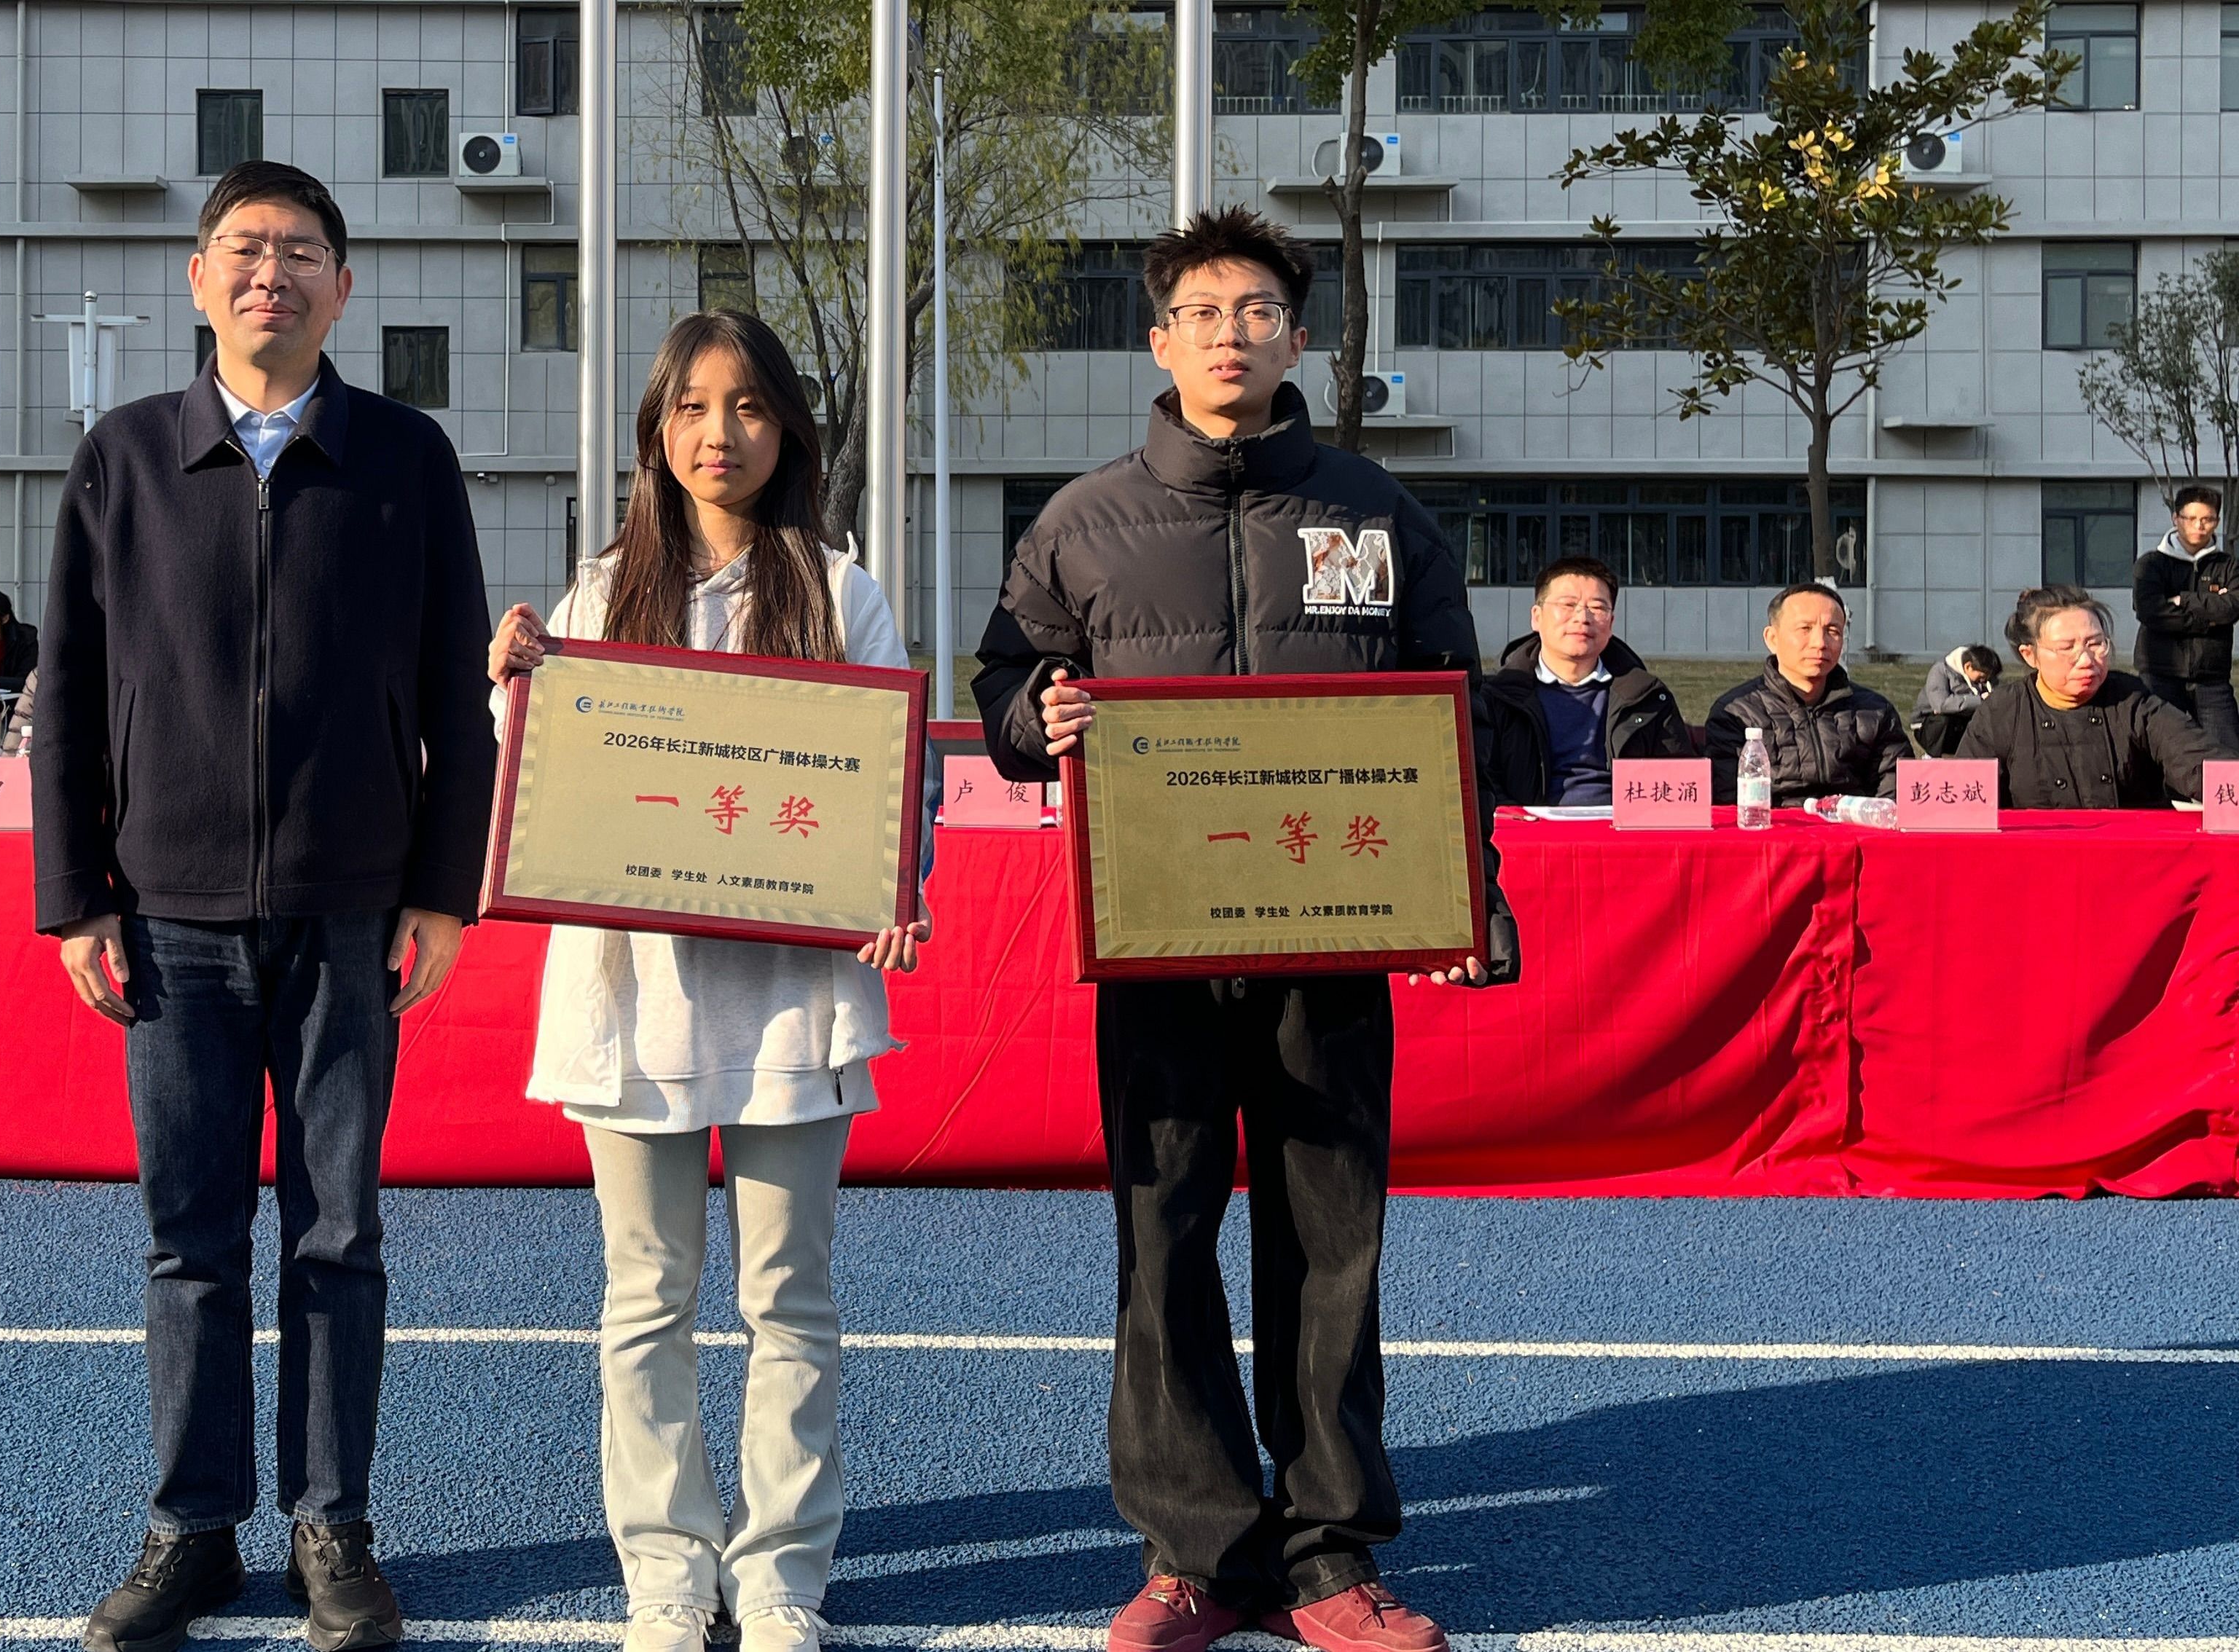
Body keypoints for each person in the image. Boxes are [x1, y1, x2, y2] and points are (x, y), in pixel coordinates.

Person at [972, 207, 1514, 1652]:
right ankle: (1193, 1551)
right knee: (1162, 1237)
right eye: (1203, 311)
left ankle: (1329, 1552)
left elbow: (1451, 716)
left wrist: (1464, 895)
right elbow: (1007, 687)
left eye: (1258, 309)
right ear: (1159, 341)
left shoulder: (1375, 514)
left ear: (1298, 337)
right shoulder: (1082, 521)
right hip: (1156, 943)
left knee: (1330, 1242)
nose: (1231, 332)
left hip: (1330, 947)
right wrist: (1038, 715)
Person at [34, 160, 493, 1652]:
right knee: (189, 1236)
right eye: (243, 248)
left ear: (342, 289)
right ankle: (193, 1524)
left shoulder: (405, 458)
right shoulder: (123, 457)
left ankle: (331, 1523)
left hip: (352, 910)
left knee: (336, 1234)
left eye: (300, 252)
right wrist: (75, 899)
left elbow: (455, 693)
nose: (269, 275)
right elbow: (70, 696)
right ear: (198, 277)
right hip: (167, 918)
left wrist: (442, 890)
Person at [485, 312, 932, 1652]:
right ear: (655, 430)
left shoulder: (841, 592)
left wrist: (893, 886)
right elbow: (542, 781)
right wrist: (511, 685)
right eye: (688, 406)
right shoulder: (597, 592)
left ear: (785, 425)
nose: (717, 433)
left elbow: (894, 782)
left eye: (745, 406)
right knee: (646, 1300)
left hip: (795, 998)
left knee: (789, 1297)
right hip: (634, 994)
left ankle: (783, 1571)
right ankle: (668, 1571)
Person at [1956, 584, 2223, 806]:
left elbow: (2197, 760)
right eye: (2066, 648)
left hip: (2129, 850)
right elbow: (1963, 799)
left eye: (2095, 644)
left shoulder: (2132, 700)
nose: (2086, 660)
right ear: (2030, 655)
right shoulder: (2002, 711)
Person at [1483, 556, 1690, 806]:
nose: (1582, 617)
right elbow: (1483, 784)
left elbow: (1678, 785)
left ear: (1611, 623)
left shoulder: (1646, 697)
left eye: (1598, 608)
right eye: (1568, 605)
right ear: (1537, 617)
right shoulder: (1497, 697)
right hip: (1529, 827)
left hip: (1621, 827)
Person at [1706, 583, 1909, 805]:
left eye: (1833, 631)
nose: (1820, 643)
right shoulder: (1737, 714)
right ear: (1772, 638)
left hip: (1854, 824)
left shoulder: (1875, 712)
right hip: (1772, 825)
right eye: (1805, 629)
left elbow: (1896, 794)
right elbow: (1728, 802)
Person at [2129, 484, 2239, 751]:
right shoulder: (2151, 564)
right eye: (2191, 518)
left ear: (2216, 521)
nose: (2199, 526)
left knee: (2227, 756)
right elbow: (2151, 612)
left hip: (2212, 678)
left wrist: (2184, 600)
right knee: (2158, 752)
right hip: (2160, 675)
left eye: (2207, 519)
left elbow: (2232, 608)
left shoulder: (2228, 566)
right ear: (2175, 518)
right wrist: (2208, 620)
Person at [1909, 644, 2003, 757]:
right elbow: (1941, 704)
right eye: (1981, 677)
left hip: (1962, 723)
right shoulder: (1940, 671)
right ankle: (1931, 757)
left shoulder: (1987, 679)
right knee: (1944, 719)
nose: (1983, 681)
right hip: (1929, 727)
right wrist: (1979, 700)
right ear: (1968, 666)